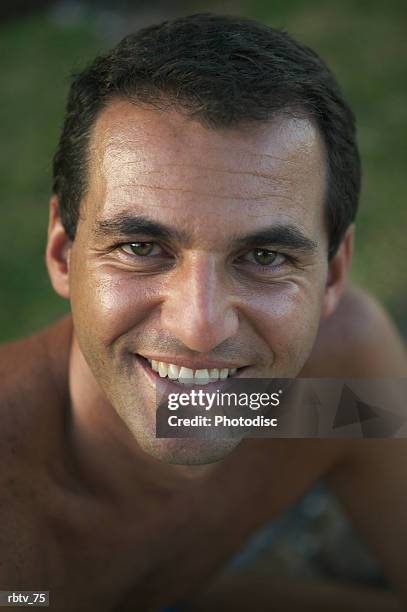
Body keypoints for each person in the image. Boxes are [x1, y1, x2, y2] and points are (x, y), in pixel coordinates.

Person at [1, 13, 406, 612]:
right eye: (140, 248)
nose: (199, 327)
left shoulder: (337, 378)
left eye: (264, 256)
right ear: (63, 252)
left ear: (334, 274)